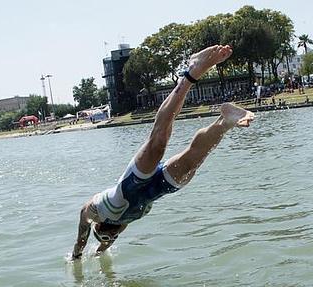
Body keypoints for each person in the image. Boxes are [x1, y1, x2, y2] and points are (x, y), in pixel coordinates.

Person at [70, 45, 255, 260]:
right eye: (108, 239)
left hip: (132, 182)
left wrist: (77, 253)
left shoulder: (97, 210)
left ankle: (191, 72)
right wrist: (98, 253)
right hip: (157, 189)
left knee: (158, 142)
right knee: (191, 162)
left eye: (102, 235)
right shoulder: (122, 225)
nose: (107, 237)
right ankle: (225, 121)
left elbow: (82, 225)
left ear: (98, 226)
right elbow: (104, 248)